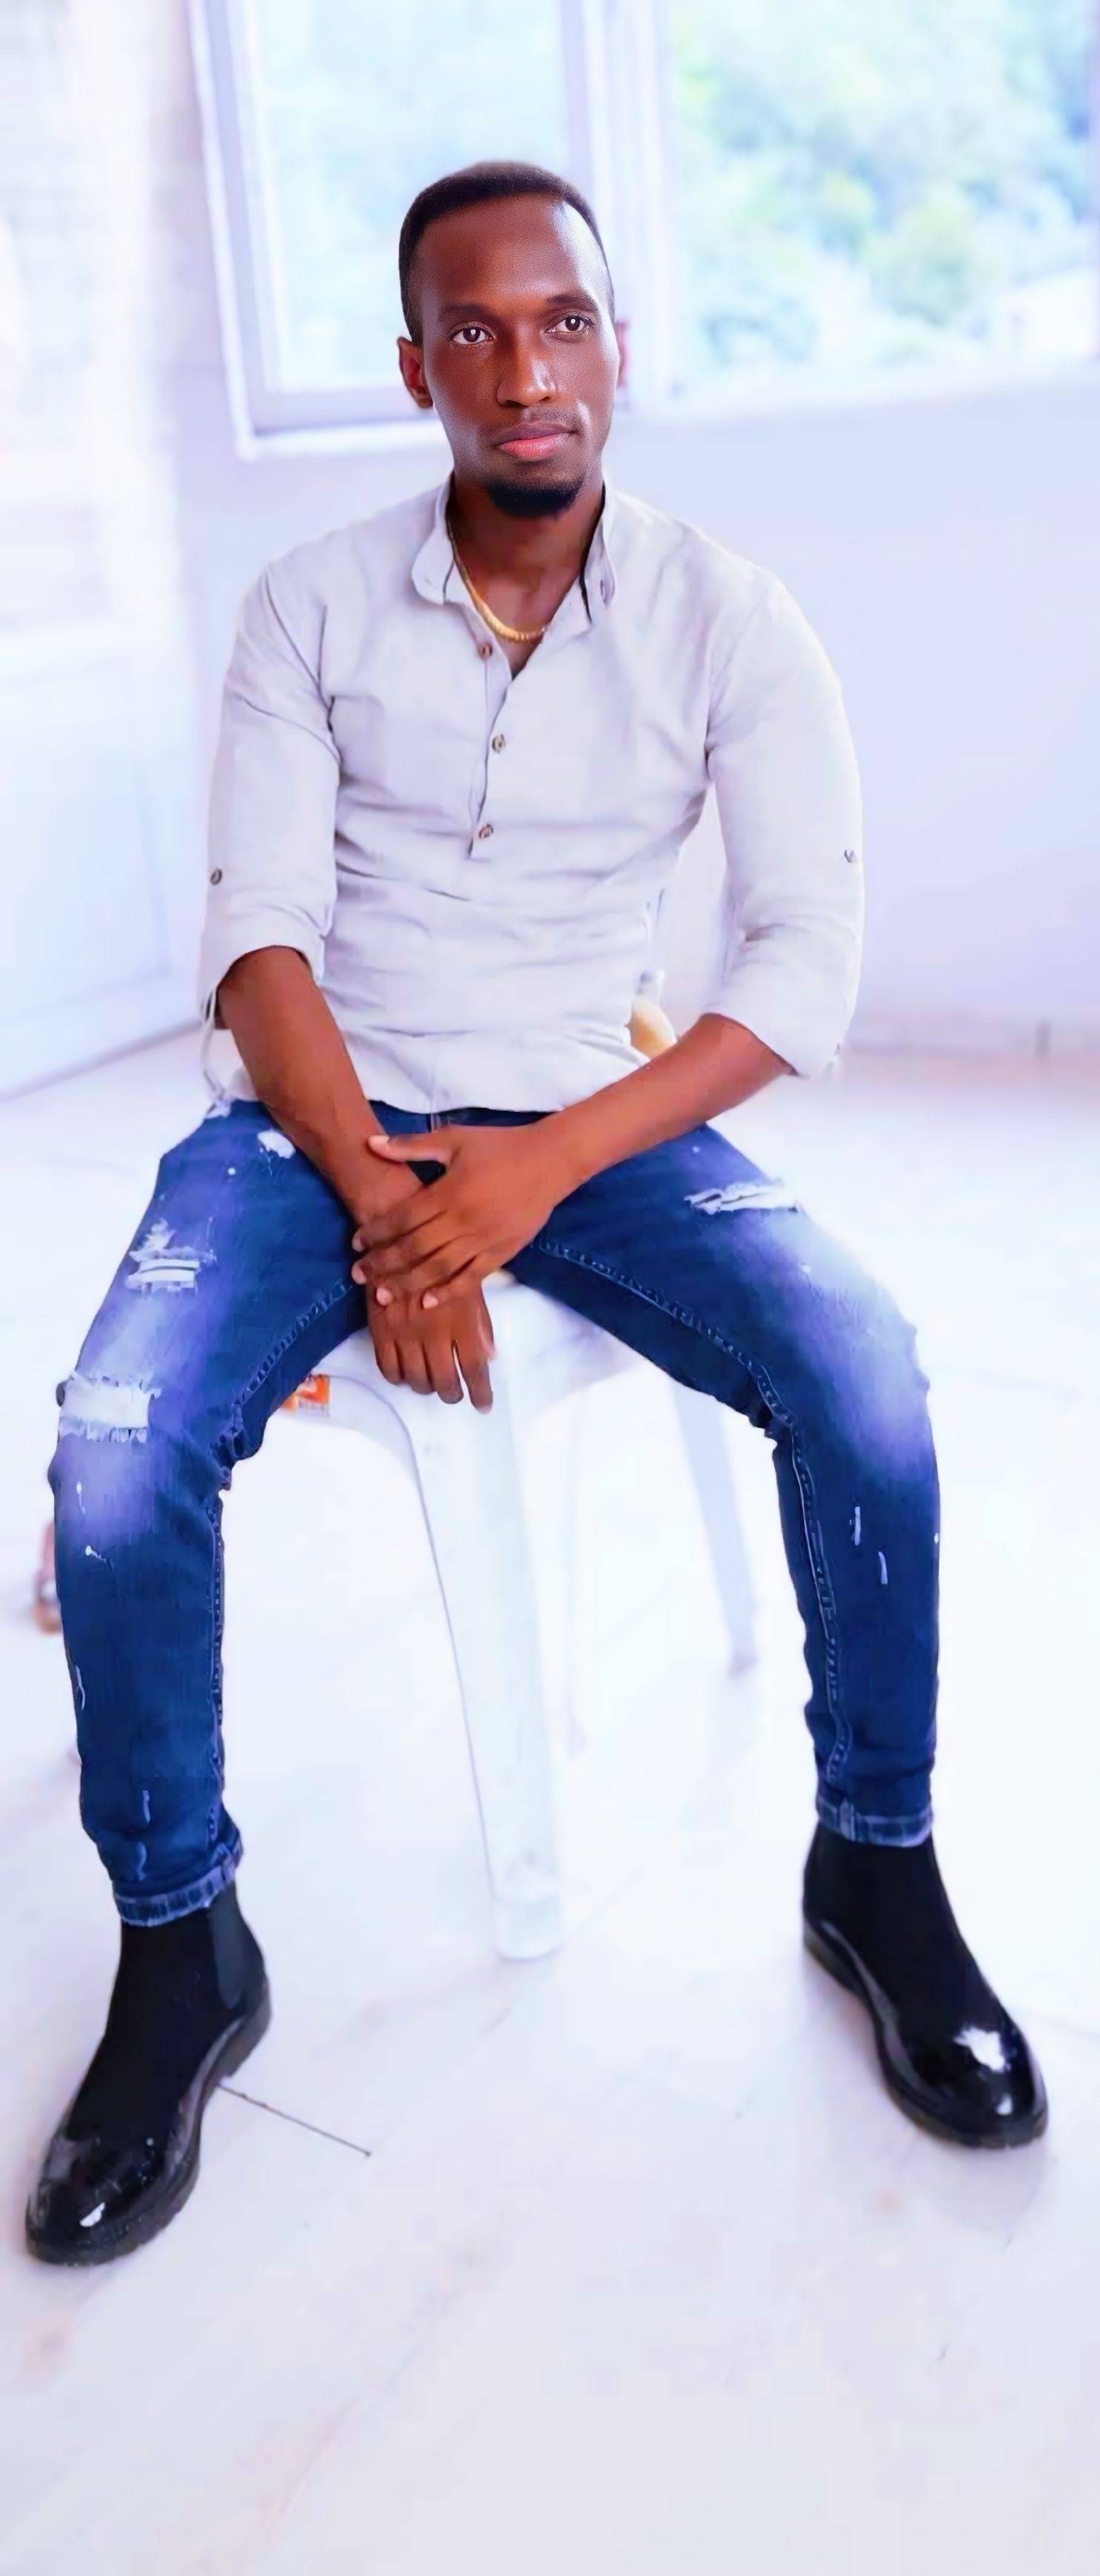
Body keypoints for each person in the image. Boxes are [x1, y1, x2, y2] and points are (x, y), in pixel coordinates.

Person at [27, 161, 1046, 2267]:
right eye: (473, 332)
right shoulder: (307, 606)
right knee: (113, 1462)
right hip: (315, 1119)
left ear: (617, 346)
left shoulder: (727, 616)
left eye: (561, 321)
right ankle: (182, 1946)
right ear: (414, 369)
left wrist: (531, 1171)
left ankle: (876, 1864)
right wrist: (388, 1199)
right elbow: (257, 936)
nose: (524, 371)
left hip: (593, 1110)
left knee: (868, 1381)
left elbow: (803, 963)